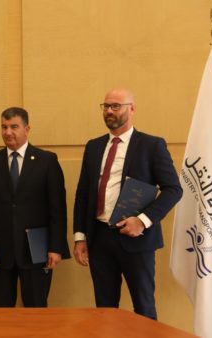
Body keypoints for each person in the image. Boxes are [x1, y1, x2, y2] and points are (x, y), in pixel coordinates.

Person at [73, 88, 182, 319]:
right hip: (99, 238)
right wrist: (80, 237)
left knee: (143, 308)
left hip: (137, 238)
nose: (109, 111)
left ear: (132, 109)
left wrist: (142, 221)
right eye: (106, 106)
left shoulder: (152, 145)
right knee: (104, 309)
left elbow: (173, 190)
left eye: (116, 106)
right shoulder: (93, 146)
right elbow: (83, 194)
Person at [0, 107, 69, 308]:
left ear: (27, 129)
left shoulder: (47, 161)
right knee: (2, 311)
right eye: (4, 127)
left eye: (14, 127)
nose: (8, 132)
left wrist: (55, 247)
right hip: (0, 253)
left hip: (37, 251)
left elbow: (57, 209)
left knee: (36, 309)